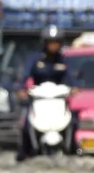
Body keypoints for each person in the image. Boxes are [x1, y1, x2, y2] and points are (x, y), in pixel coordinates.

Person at [16, 24, 72, 161]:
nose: (54, 46)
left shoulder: (64, 60)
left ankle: (71, 149)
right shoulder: (35, 59)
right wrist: (21, 89)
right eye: (51, 43)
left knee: (73, 120)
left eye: (56, 42)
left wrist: (75, 88)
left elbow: (72, 78)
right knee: (25, 124)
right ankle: (25, 153)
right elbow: (24, 76)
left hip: (58, 101)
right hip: (39, 101)